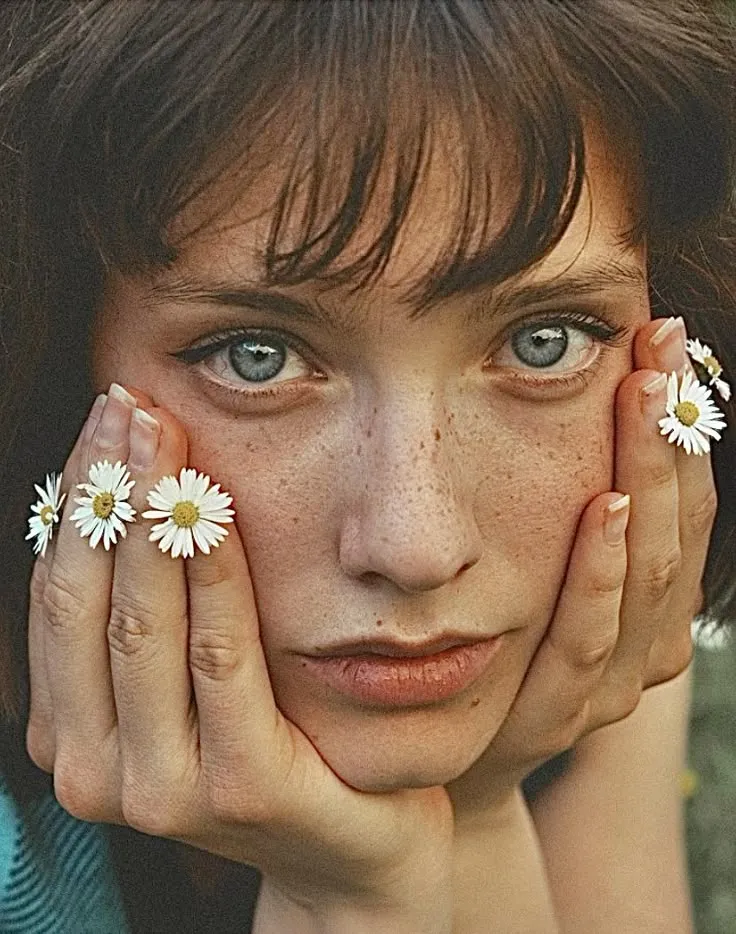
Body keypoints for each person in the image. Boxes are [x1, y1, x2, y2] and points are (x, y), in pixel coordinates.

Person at [0, 1, 734, 931]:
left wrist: (464, 821)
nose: (417, 546)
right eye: (254, 356)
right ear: (51, 357)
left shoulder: (572, 614)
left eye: (545, 342)